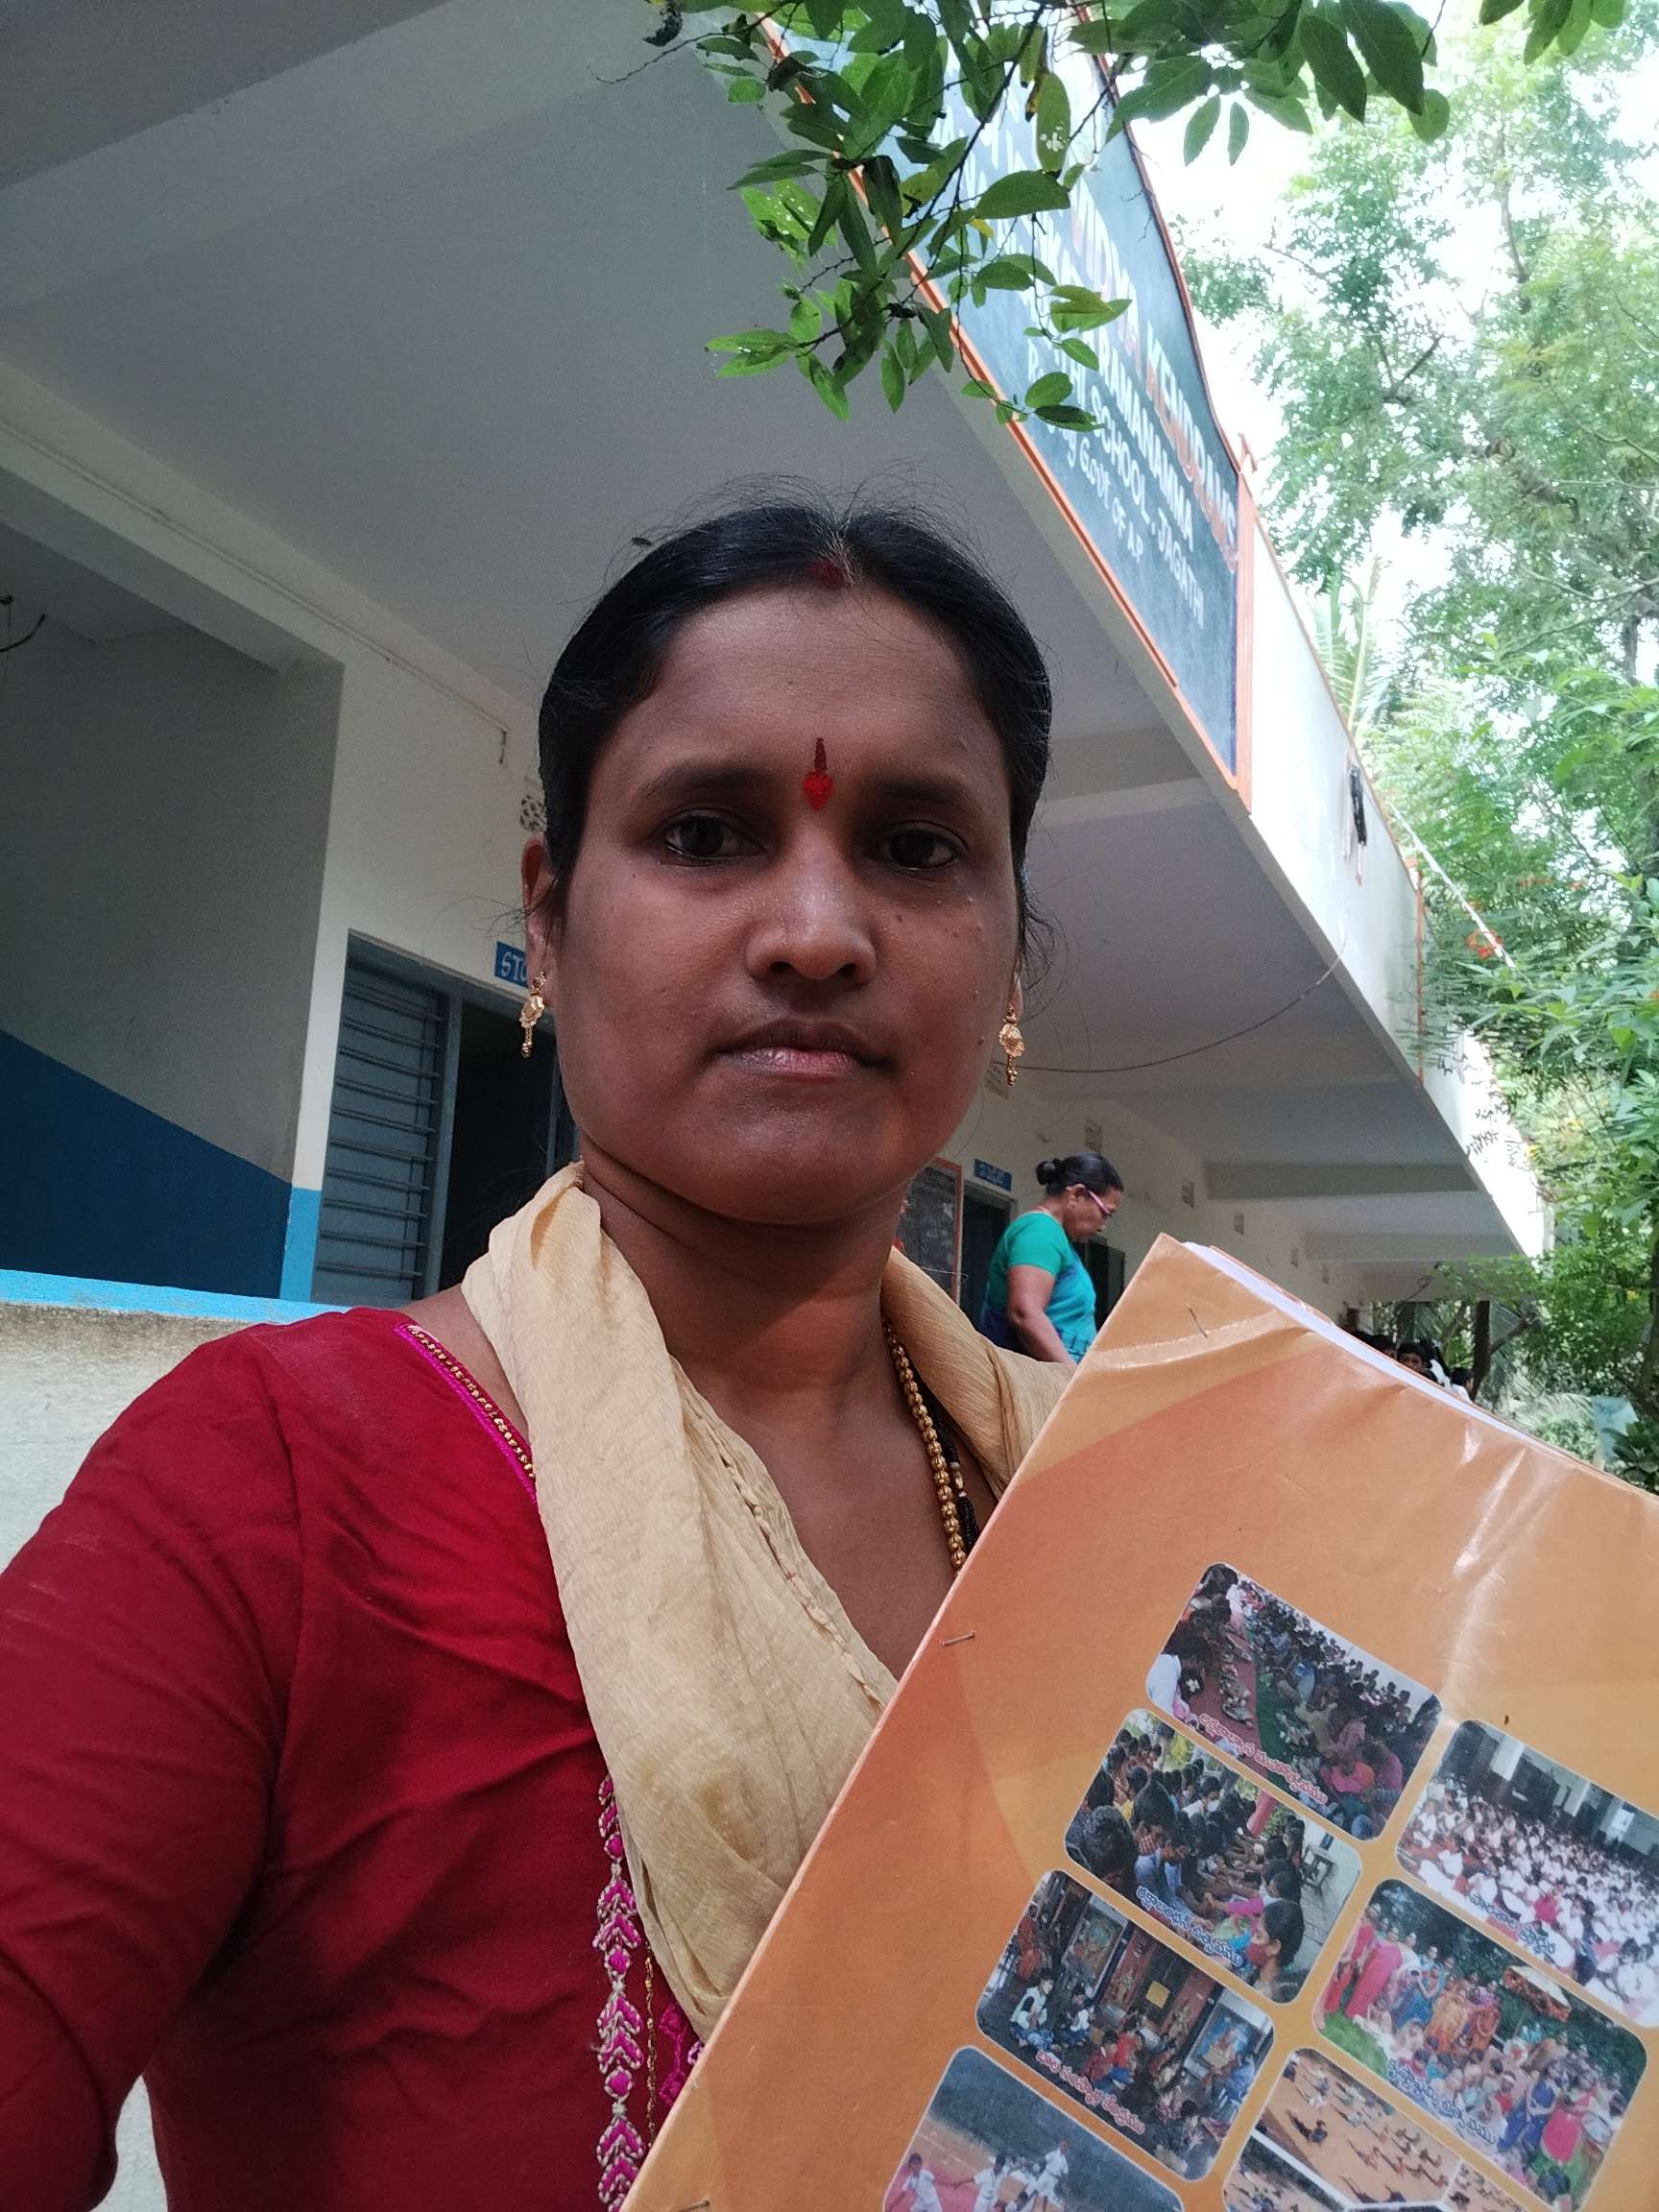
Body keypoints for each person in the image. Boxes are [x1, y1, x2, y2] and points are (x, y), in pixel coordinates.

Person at [0, 493, 1073, 2212]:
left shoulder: (1125, 1511)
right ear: (552, 927)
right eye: (708, 832)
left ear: (1009, 958)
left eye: (915, 845)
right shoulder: (273, 1488)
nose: (815, 929)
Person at [978, 1151, 1122, 1364]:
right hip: (1038, 1378)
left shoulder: (1057, 1239)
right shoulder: (1041, 1230)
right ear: (1077, 1194)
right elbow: (1024, 1312)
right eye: (1105, 1213)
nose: (1102, 1227)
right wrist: (1071, 1377)